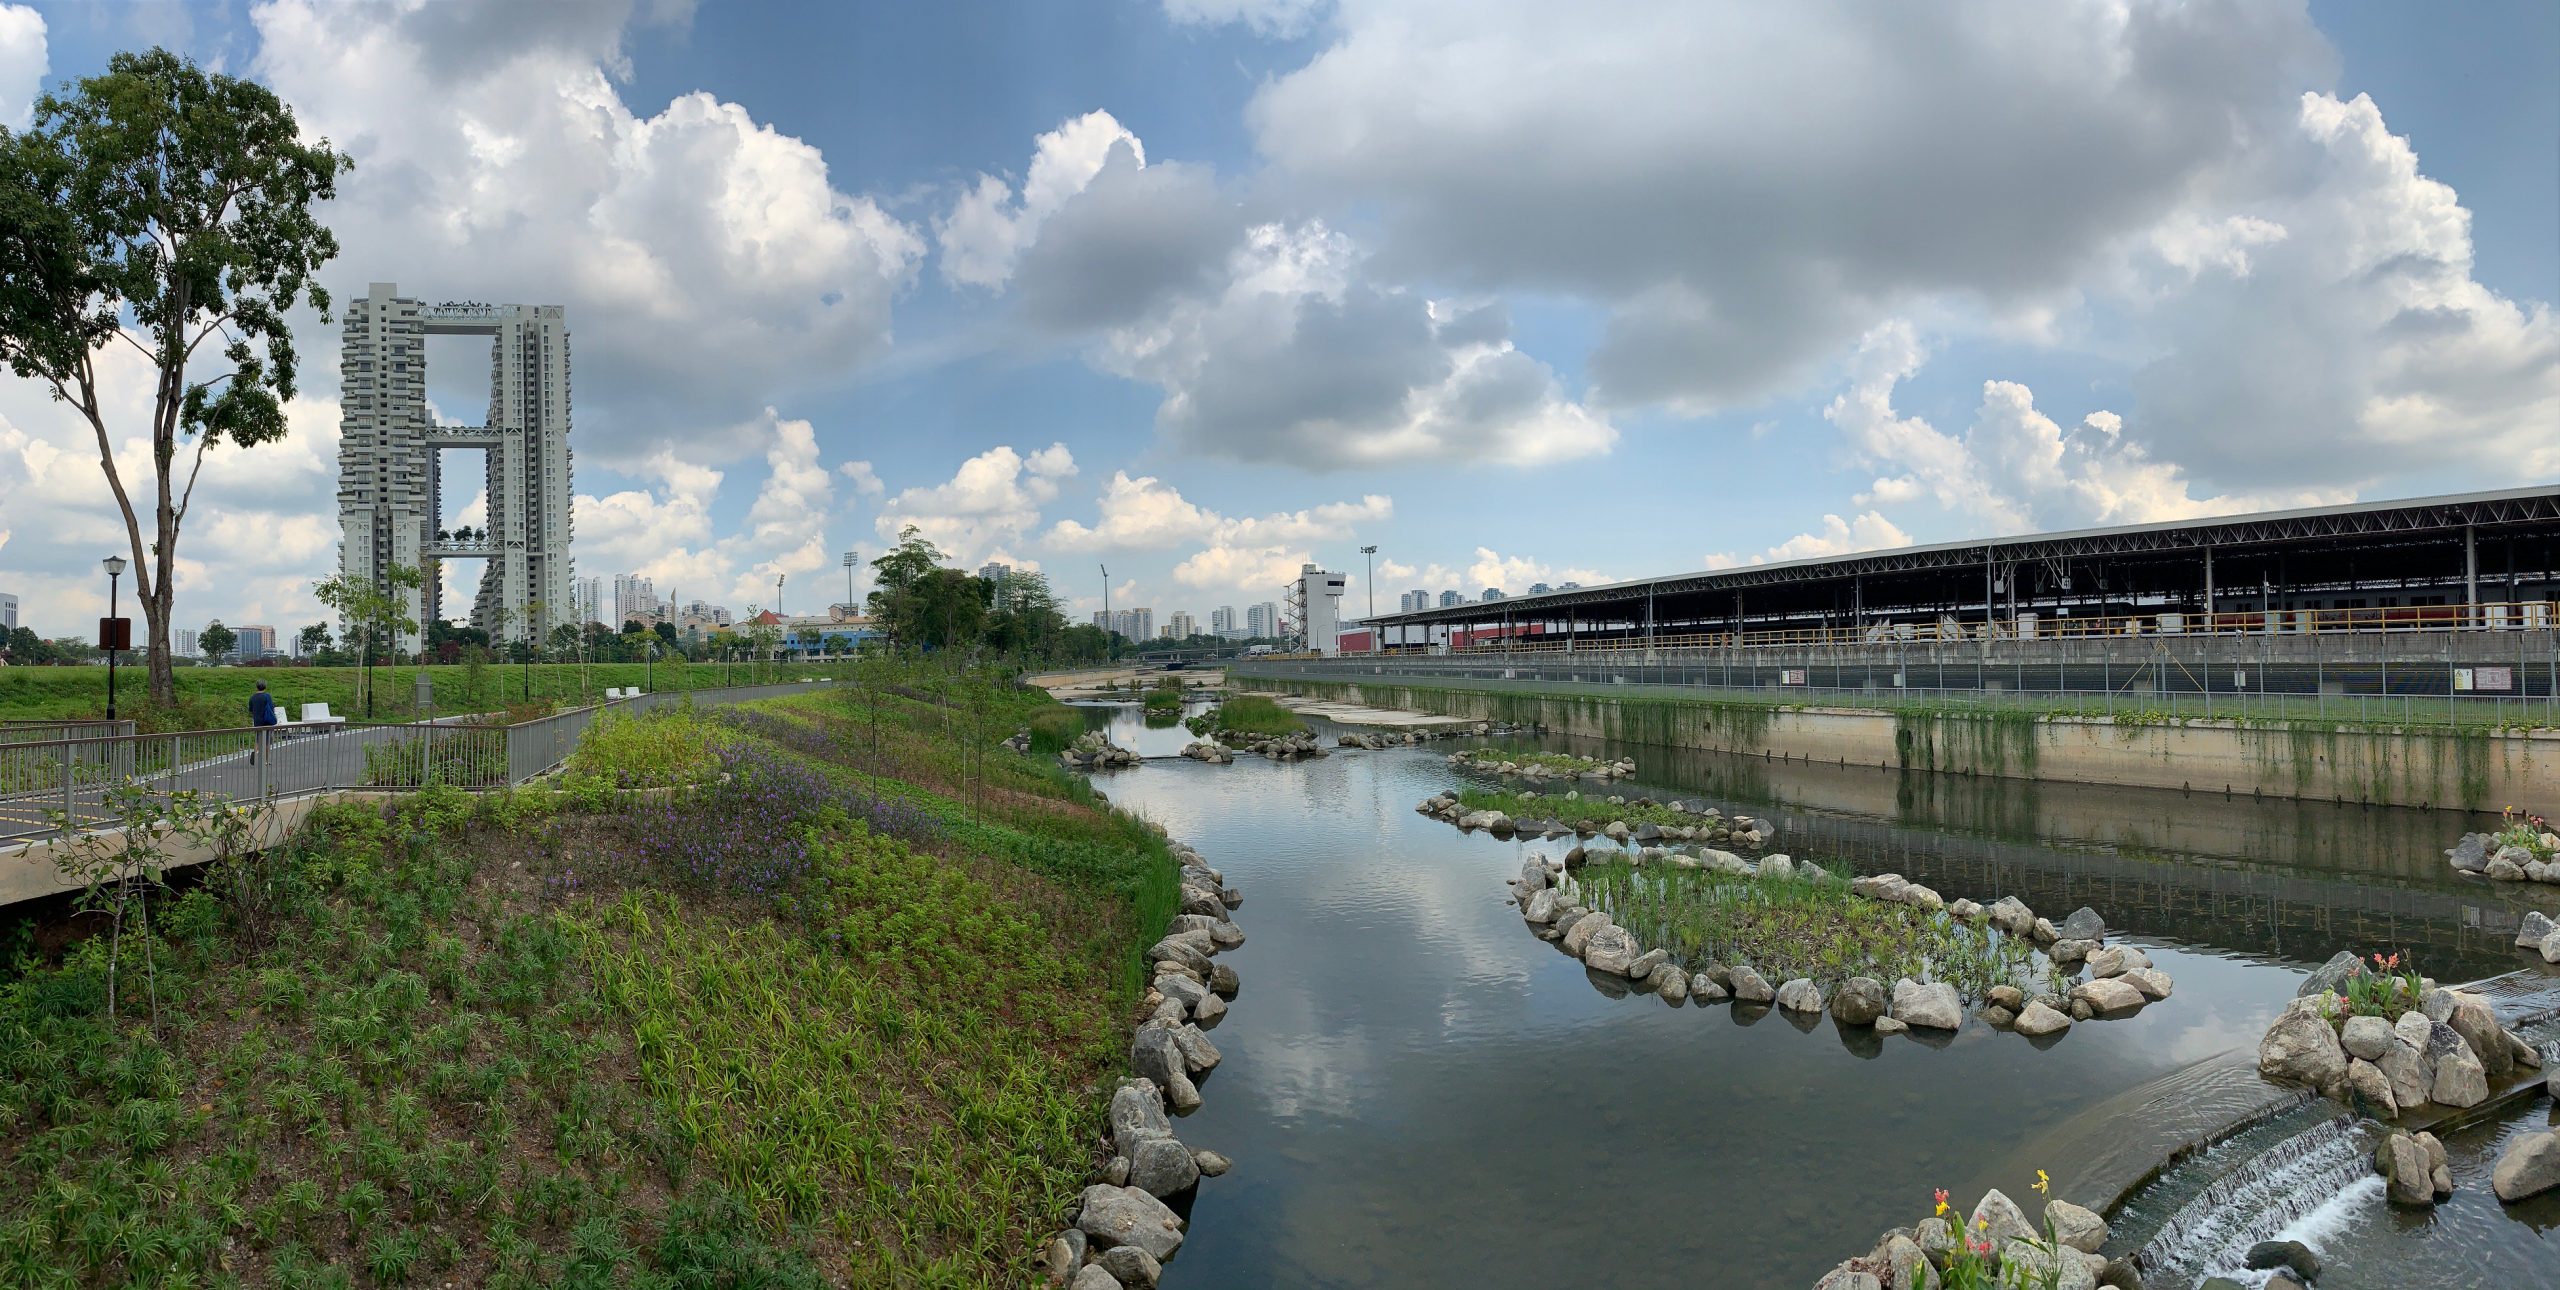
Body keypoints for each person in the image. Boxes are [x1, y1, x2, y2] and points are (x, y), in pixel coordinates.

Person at [248, 680, 279, 763]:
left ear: (256, 687)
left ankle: (255, 752)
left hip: (257, 722)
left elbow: (250, 709)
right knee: (267, 742)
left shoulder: (253, 697)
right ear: (265, 687)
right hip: (267, 721)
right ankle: (265, 761)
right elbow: (271, 707)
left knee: (258, 740)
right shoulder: (267, 696)